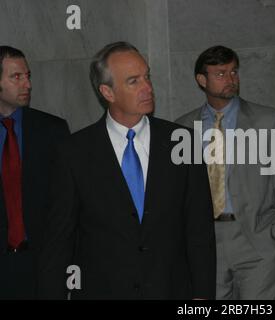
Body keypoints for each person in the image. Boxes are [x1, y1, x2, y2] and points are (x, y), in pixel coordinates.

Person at [38, 42, 216, 299]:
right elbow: (59, 240)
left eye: (147, 76)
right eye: (133, 81)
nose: (147, 87)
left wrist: (202, 296)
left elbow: (199, 231)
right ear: (107, 92)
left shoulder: (182, 141)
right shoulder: (73, 152)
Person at [176, 45, 275, 299]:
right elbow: (179, 192)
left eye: (233, 72)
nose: (230, 80)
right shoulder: (184, 128)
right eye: (220, 74)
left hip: (257, 239)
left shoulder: (267, 120)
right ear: (201, 80)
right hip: (205, 241)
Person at [0, 46, 70, 299]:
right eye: (16, 77)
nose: (27, 84)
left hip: (42, 264)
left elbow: (66, 201)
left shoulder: (52, 130)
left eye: (27, 75)